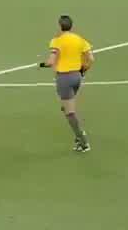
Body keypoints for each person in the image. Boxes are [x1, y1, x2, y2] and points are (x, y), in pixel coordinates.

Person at [40, 15, 94, 152]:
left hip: (64, 79)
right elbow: (91, 59)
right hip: (77, 77)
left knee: (70, 113)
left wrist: (42, 64)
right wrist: (83, 70)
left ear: (59, 26)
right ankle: (79, 135)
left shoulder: (56, 41)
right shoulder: (80, 39)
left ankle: (82, 141)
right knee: (68, 105)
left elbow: (51, 61)